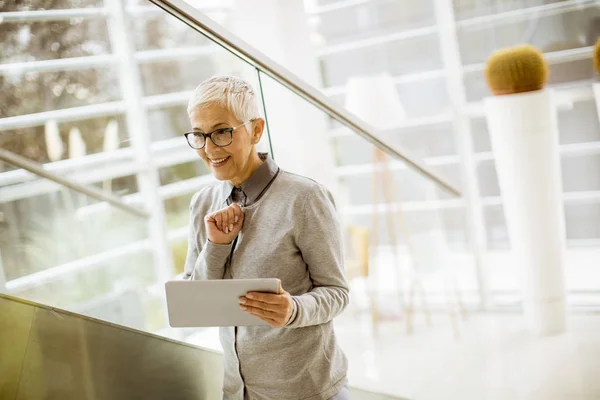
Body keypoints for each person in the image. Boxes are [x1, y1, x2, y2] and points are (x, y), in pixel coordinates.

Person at [183, 76, 350, 400]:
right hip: (239, 393)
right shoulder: (203, 203)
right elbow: (192, 302)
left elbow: (337, 292)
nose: (209, 148)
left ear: (256, 130)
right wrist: (216, 246)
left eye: (221, 132)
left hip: (308, 392)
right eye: (199, 135)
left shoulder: (304, 198)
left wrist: (294, 310)